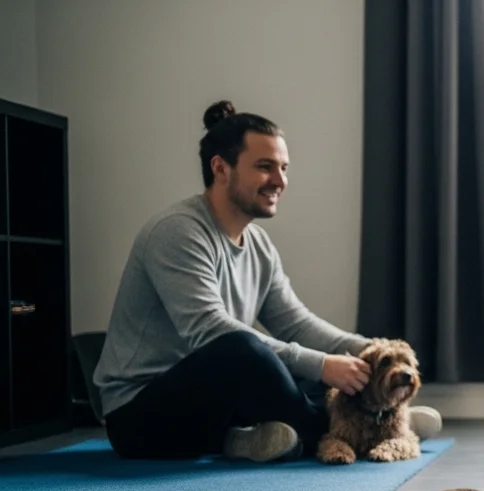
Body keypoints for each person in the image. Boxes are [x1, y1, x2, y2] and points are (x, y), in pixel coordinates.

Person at [92, 100, 441, 461]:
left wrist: (373, 356)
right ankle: (375, 427)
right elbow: (208, 330)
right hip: (139, 417)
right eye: (264, 167)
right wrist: (322, 365)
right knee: (247, 349)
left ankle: (283, 434)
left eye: (283, 168)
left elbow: (296, 324)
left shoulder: (257, 243)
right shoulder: (177, 232)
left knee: (305, 369)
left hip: (215, 402)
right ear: (220, 168)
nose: (280, 181)